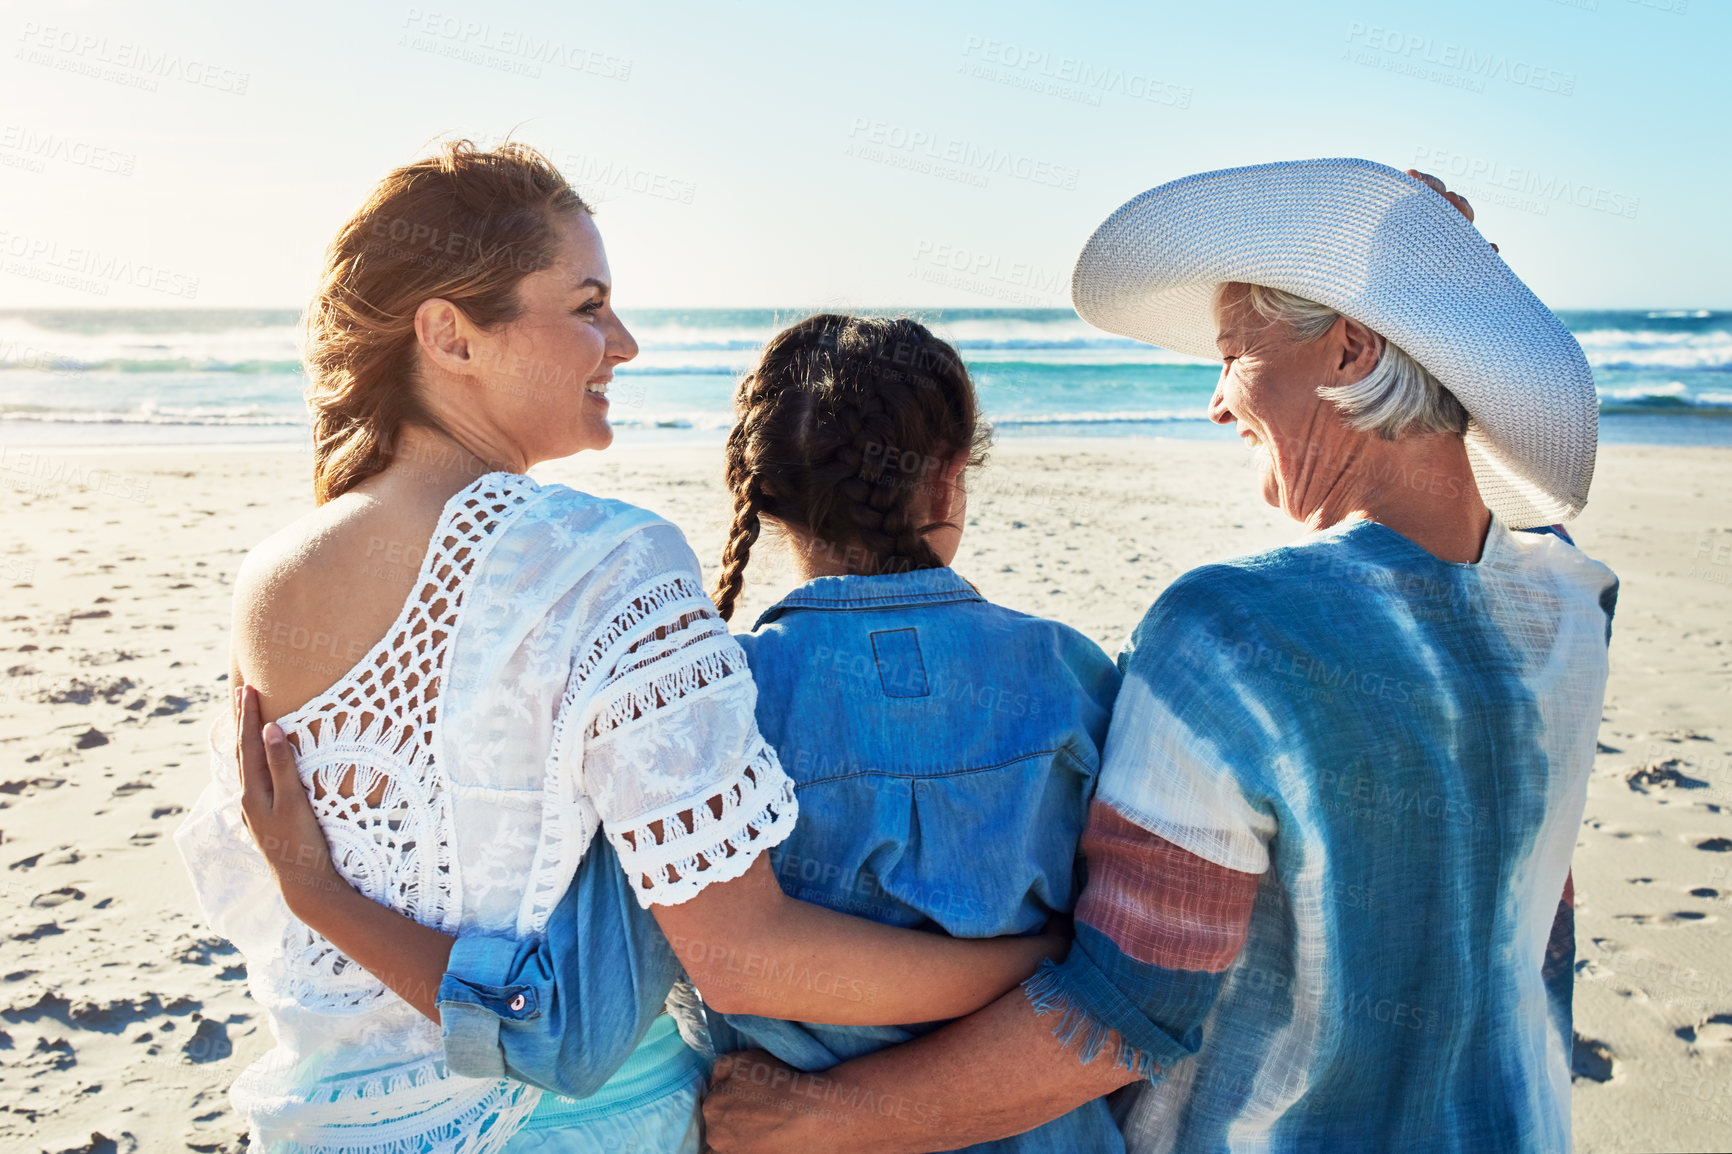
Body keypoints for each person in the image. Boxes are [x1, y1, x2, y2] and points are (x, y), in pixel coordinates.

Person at [702, 159, 1618, 1153]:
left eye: (1231, 356)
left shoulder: (1228, 635)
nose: (1218, 402)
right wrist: (1435, 279)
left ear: (1351, 348)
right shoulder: (1568, 605)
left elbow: (1121, 1013)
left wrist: (823, 1114)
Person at [176, 141, 1059, 1153]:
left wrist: (312, 890)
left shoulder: (277, 573)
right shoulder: (605, 561)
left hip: (330, 1120)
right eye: (587, 306)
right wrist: (1035, 959)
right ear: (449, 335)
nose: (625, 342)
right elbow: (742, 958)